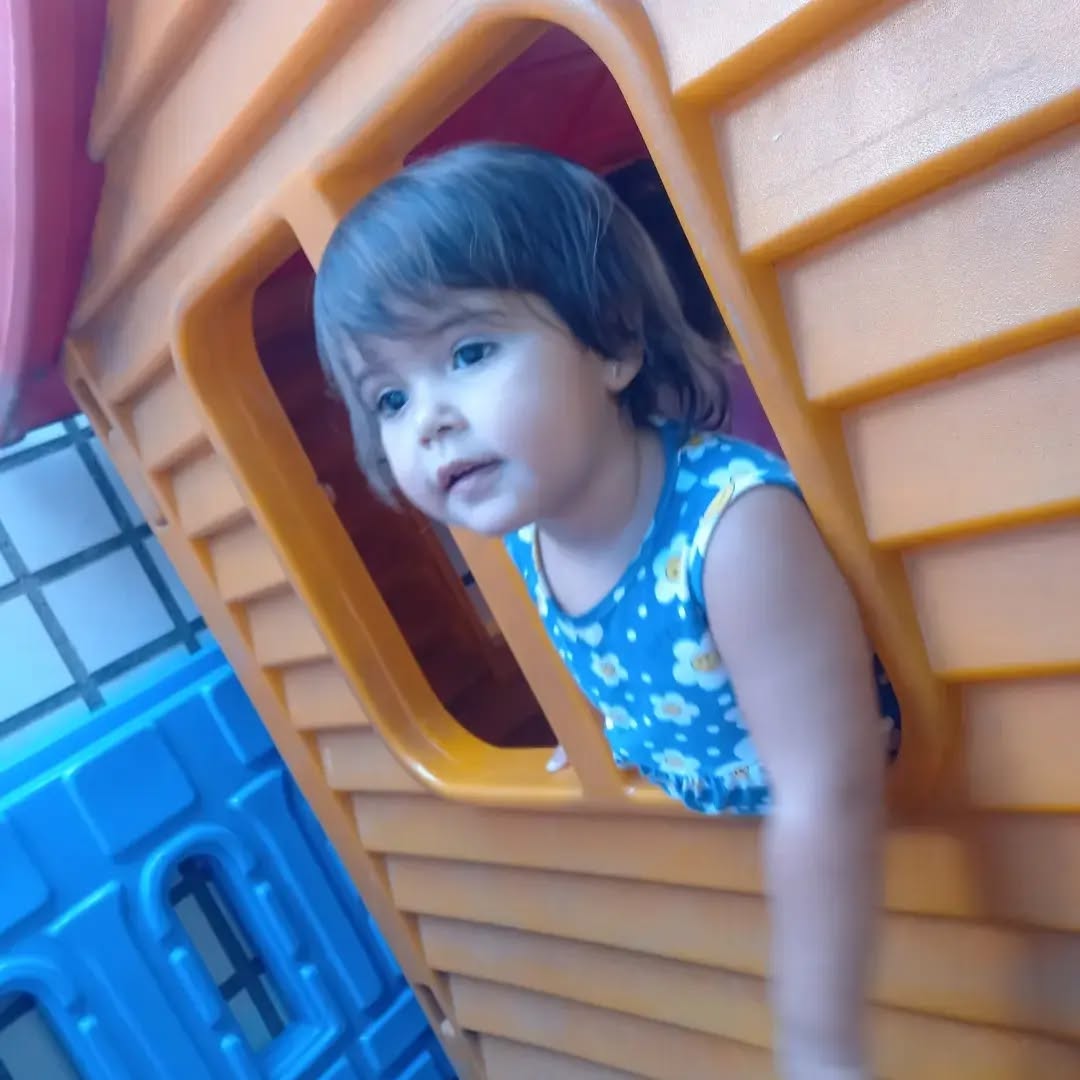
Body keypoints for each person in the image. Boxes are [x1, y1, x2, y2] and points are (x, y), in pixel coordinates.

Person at [312, 142, 900, 1080]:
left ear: (615, 342)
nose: (429, 419)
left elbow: (828, 789)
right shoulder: (527, 542)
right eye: (388, 396)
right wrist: (622, 728)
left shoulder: (732, 531)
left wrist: (820, 1040)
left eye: (468, 352)